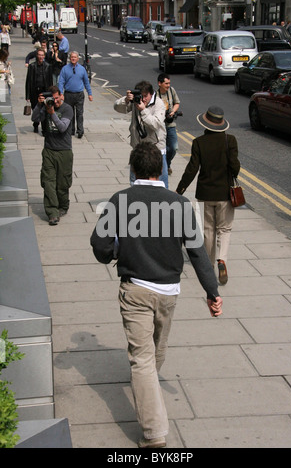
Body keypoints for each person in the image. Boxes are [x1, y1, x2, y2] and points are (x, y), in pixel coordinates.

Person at [90, 141, 223, 449]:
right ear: (160, 170)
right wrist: (212, 292)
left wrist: (114, 252)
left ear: (133, 169)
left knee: (142, 359)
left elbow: (100, 246)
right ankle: (152, 410)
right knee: (155, 350)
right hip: (168, 293)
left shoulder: (120, 200)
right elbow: (198, 253)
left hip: (135, 289)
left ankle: (153, 430)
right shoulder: (178, 204)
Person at [176, 106, 240, 285]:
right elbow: (235, 167)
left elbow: (192, 169)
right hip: (224, 194)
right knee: (224, 229)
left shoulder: (198, 142)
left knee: (208, 230)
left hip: (204, 193)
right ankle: (222, 260)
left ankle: (209, 265)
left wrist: (180, 190)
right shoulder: (231, 141)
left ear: (205, 123)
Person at [31, 85, 74, 226]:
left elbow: (62, 128)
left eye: (57, 98)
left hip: (64, 151)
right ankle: (52, 212)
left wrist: (52, 113)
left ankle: (63, 206)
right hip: (49, 150)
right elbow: (35, 118)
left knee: (62, 183)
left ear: (61, 96)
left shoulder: (67, 109)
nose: (55, 102)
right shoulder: (46, 106)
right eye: (52, 99)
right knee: (49, 182)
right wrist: (39, 104)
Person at [114, 80, 168, 188]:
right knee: (135, 182)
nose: (143, 99)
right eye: (141, 96)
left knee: (160, 182)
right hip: (139, 148)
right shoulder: (136, 101)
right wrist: (126, 100)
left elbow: (155, 124)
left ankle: (161, 203)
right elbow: (117, 108)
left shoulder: (158, 103)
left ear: (151, 94)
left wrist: (143, 110)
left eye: (145, 96)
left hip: (156, 149)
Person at [58, 50, 93, 138]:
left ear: (77, 59)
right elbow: (61, 82)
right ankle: (71, 130)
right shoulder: (65, 69)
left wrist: (90, 93)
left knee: (79, 113)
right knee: (70, 113)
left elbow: (86, 82)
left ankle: (80, 130)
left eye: (75, 57)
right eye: (72, 57)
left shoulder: (82, 69)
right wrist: (60, 93)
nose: (73, 59)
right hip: (68, 94)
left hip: (79, 95)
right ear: (70, 58)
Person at [157, 73, 180, 175]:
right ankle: (163, 166)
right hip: (160, 126)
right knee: (162, 148)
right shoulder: (155, 96)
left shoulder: (171, 91)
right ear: (159, 83)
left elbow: (177, 103)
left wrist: (173, 112)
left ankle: (167, 163)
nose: (168, 85)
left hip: (170, 125)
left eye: (169, 83)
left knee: (173, 147)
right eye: (166, 83)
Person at [25, 48, 53, 133]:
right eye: (39, 55)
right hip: (34, 91)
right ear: (36, 56)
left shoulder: (48, 66)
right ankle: (36, 125)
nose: (40, 57)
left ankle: (44, 129)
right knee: (36, 109)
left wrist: (51, 93)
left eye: (42, 55)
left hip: (44, 91)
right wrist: (27, 96)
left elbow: (50, 80)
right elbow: (28, 81)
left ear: (44, 56)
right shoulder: (32, 66)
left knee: (44, 109)